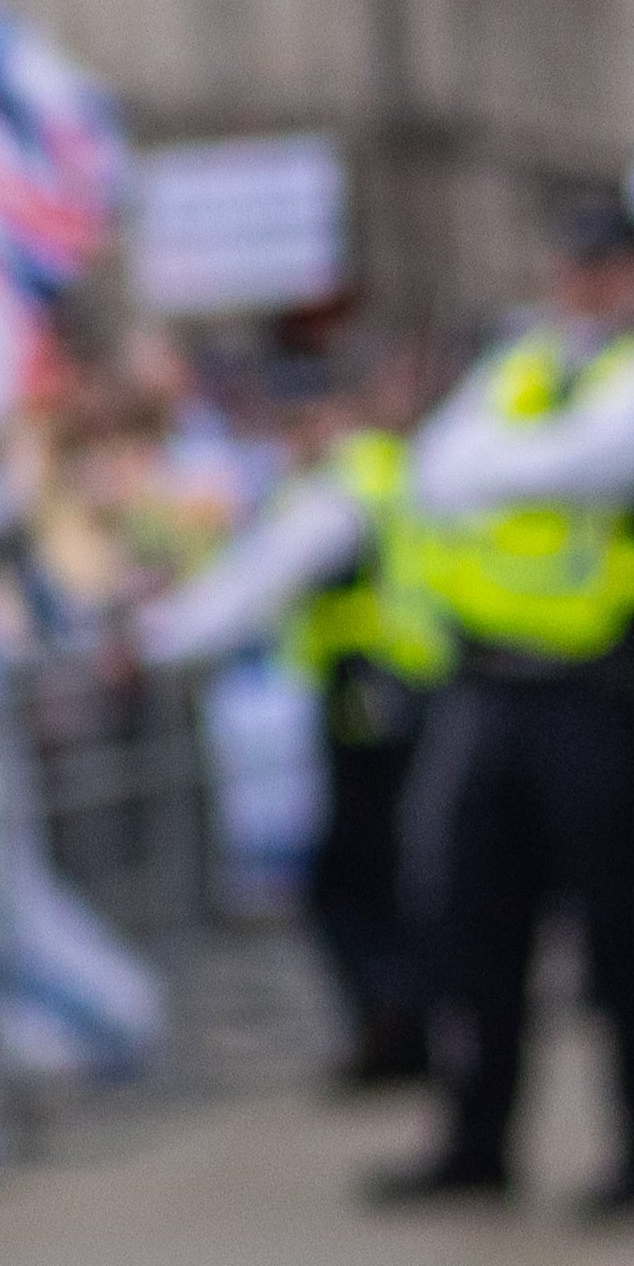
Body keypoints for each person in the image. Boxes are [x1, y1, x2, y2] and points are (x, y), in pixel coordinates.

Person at [374, 204, 634, 1219]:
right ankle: (477, 1140)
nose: (582, 282)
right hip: (489, 687)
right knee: (476, 928)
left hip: (598, 694)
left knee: (616, 934)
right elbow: (432, 469)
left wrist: (498, 463)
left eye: (604, 265)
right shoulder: (518, 364)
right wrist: (503, 459)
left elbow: (588, 462)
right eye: (573, 261)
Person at [135, 342, 454, 1089]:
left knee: (352, 879)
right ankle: (405, 1025)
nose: (295, 430)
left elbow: (255, 580)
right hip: (389, 693)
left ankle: (395, 1025)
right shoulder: (374, 472)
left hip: (374, 697)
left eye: (307, 412)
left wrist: (154, 639)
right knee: (381, 873)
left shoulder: (343, 485)